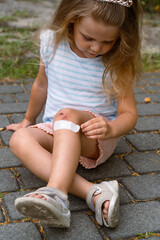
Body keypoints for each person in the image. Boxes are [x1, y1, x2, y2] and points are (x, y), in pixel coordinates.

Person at [7, 0, 142, 229]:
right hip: (56, 129)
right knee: (19, 139)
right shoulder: (52, 43)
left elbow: (129, 113)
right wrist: (28, 121)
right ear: (71, 22)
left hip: (94, 137)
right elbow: (41, 86)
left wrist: (111, 129)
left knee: (66, 114)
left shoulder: (116, 62)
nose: (96, 48)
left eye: (108, 41)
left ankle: (57, 193)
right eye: (88, 37)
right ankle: (94, 193)